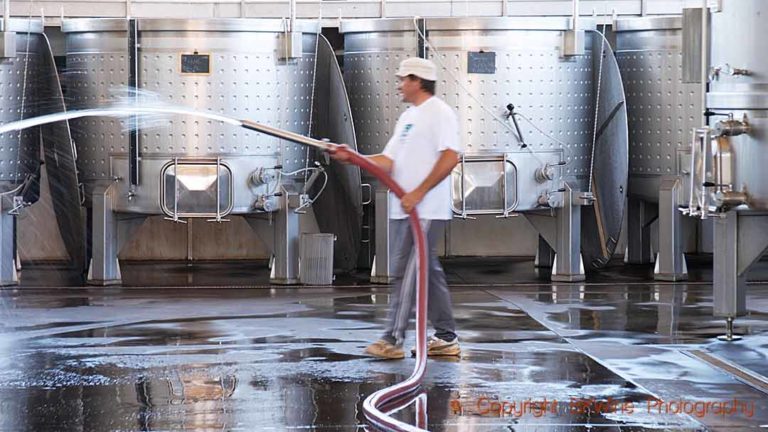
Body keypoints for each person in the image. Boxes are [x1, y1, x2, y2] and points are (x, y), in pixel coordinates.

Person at [332, 57, 463, 359]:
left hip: (425, 210)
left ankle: (393, 338)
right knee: (427, 273)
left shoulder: (439, 114)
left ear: (418, 81)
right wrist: (353, 157)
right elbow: (388, 162)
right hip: (405, 208)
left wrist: (418, 192)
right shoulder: (408, 117)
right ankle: (446, 337)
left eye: (404, 79)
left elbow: (450, 157)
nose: (399, 85)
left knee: (406, 272)